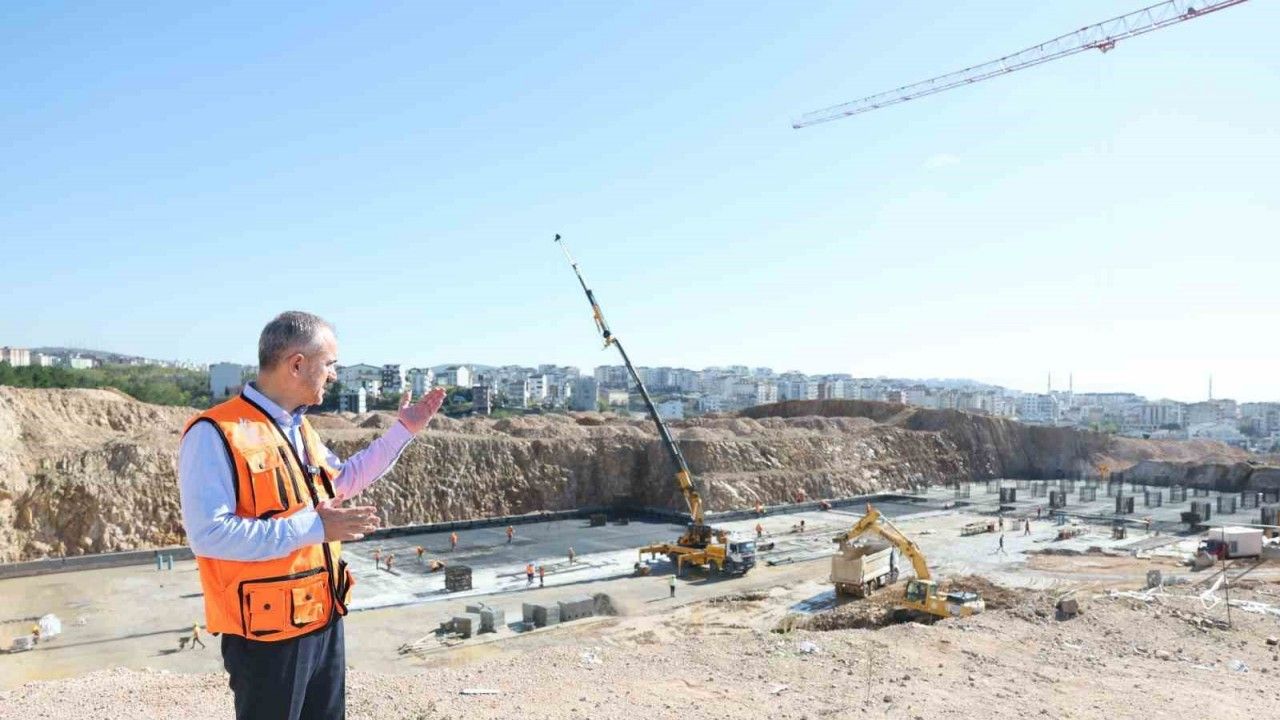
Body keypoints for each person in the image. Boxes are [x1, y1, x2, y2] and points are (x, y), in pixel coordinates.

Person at [178, 311, 447, 720]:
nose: (334, 375)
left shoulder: (300, 431)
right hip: (266, 636)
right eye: (330, 364)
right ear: (297, 364)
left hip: (321, 618)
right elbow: (210, 534)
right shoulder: (215, 432)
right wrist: (315, 527)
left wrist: (403, 431)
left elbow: (345, 479)